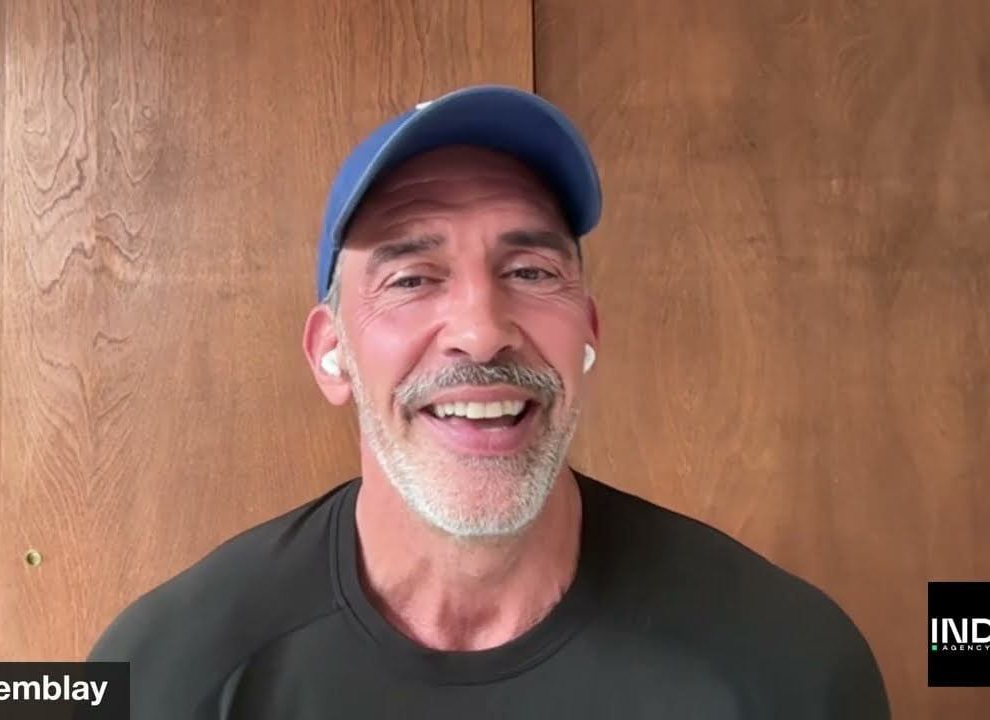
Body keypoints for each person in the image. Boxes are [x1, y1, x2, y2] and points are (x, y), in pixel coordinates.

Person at [86, 84, 891, 719]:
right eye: (411, 278)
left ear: (588, 332)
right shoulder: (169, 675)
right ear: (332, 354)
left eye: (532, 272)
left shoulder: (786, 665)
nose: (481, 330)